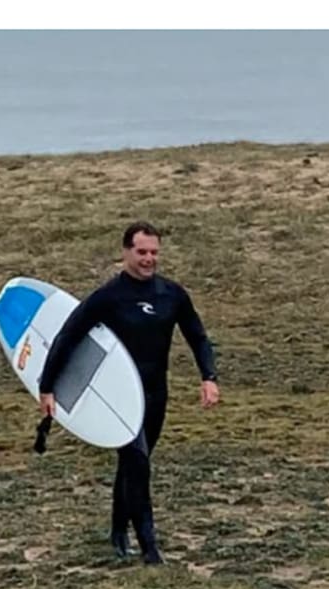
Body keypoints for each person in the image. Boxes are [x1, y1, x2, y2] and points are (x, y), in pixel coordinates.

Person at [38, 221, 220, 564]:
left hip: (155, 394)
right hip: (117, 395)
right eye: (141, 252)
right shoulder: (108, 298)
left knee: (136, 461)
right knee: (137, 464)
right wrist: (47, 387)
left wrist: (208, 376)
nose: (149, 259)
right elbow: (68, 337)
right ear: (125, 252)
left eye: (154, 252)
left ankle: (118, 528)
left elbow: (197, 335)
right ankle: (149, 547)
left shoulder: (172, 294)